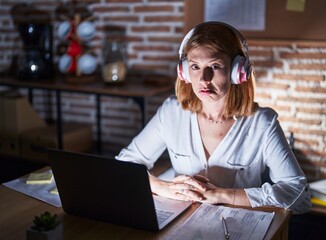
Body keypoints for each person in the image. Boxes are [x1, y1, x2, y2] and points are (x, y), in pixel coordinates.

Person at [116, 21, 311, 214]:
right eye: (195, 66)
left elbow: (298, 193)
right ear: (183, 72)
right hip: (180, 223)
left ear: (238, 71)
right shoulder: (171, 112)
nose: (203, 78)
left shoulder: (263, 123)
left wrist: (221, 195)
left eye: (215, 66)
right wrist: (162, 187)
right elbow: (125, 164)